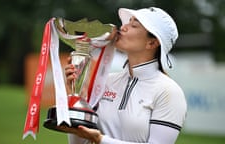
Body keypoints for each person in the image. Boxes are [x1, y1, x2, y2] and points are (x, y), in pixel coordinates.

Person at [64, 7, 187, 144]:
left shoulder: (169, 91)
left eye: (134, 25)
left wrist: (100, 140)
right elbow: (81, 142)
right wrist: (78, 100)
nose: (123, 27)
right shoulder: (106, 81)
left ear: (152, 43)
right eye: (128, 22)